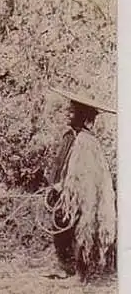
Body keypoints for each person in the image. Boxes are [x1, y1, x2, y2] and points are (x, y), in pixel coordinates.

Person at [44, 87, 117, 281]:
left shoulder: (87, 141)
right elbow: (61, 163)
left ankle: (81, 274)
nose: (67, 114)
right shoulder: (70, 136)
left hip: (81, 197)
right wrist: (54, 185)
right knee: (60, 229)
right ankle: (65, 267)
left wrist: (67, 188)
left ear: (82, 115)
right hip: (62, 195)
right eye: (67, 111)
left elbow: (85, 175)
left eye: (72, 112)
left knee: (82, 232)